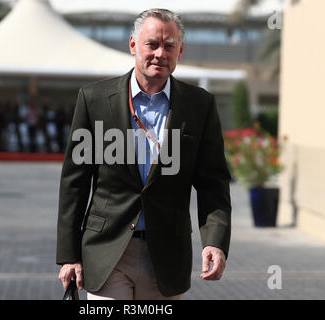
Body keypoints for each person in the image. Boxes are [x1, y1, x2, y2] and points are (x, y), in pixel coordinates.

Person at [56, 8, 231, 300]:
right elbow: (75, 182)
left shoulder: (200, 105)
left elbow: (213, 183)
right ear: (133, 45)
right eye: (152, 44)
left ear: (180, 51)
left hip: (167, 256)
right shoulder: (95, 99)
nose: (160, 53)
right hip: (106, 251)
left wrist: (215, 241)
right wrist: (69, 255)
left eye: (169, 46)